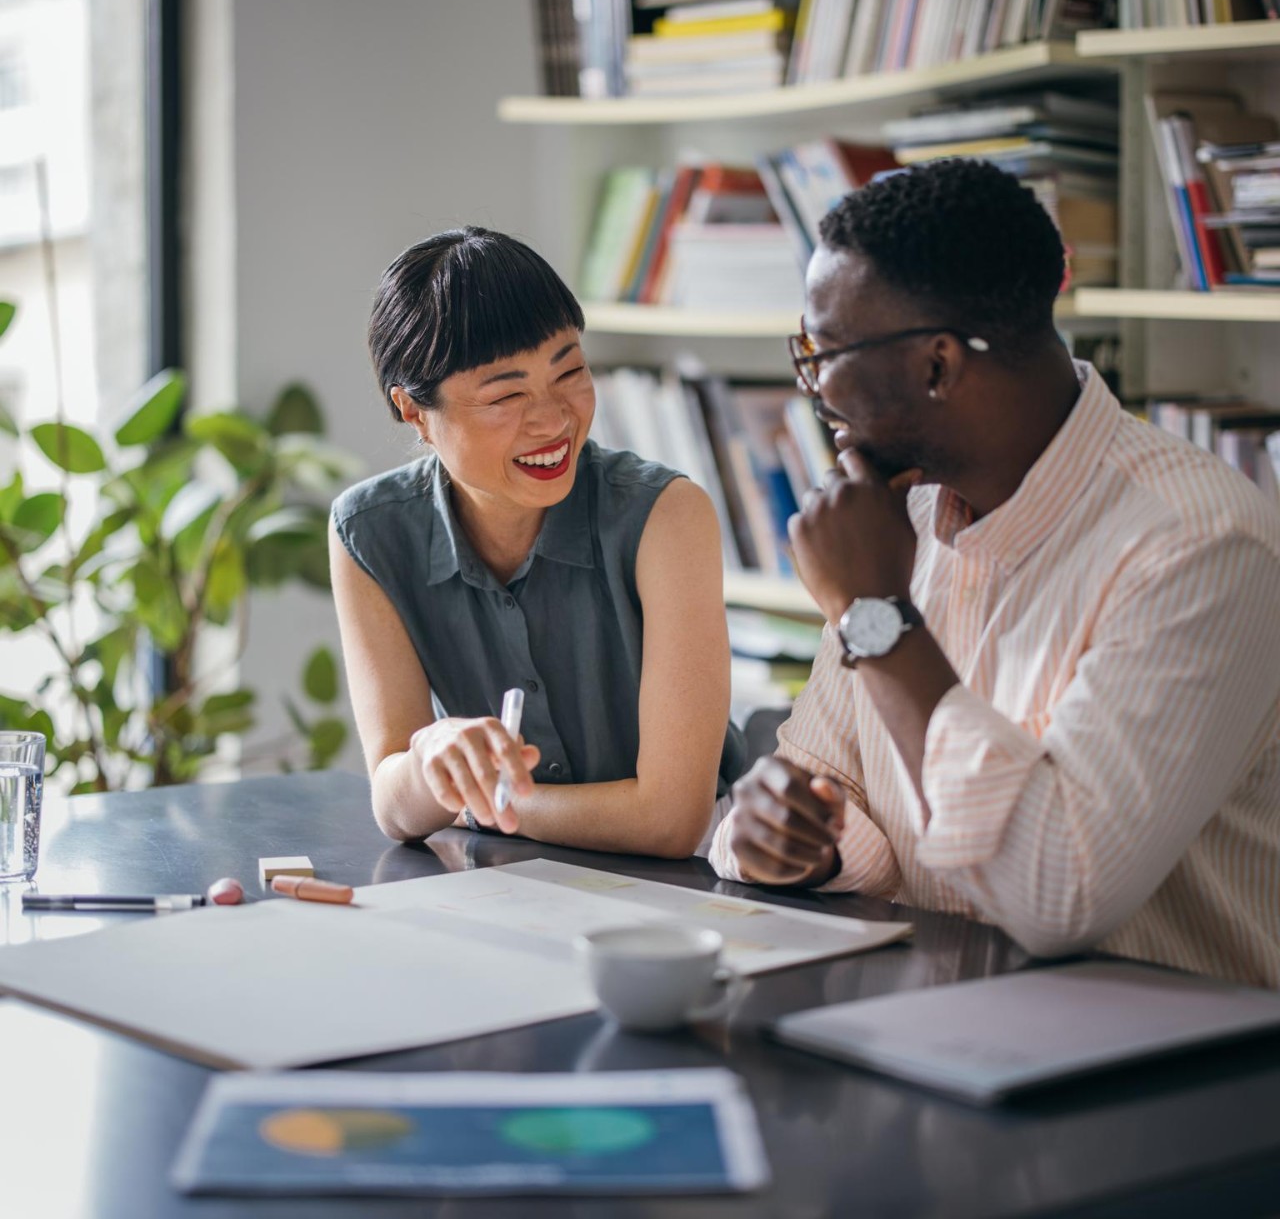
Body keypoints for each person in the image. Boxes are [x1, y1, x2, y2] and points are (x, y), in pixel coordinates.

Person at [711, 159, 1280, 988]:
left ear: (938, 366)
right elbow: (833, 790)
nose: (816, 391)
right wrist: (794, 839)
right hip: (936, 1024)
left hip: (1170, 1078)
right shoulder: (899, 521)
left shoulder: (1201, 547)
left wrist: (876, 613)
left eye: (824, 353)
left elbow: (1058, 893)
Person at [331, 226, 744, 857]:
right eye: (506, 395)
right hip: (511, 885)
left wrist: (477, 805)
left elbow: (670, 820)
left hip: (699, 879)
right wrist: (426, 762)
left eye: (570, 371)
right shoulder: (368, 530)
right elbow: (393, 802)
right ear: (414, 412)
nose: (553, 420)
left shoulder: (666, 514)